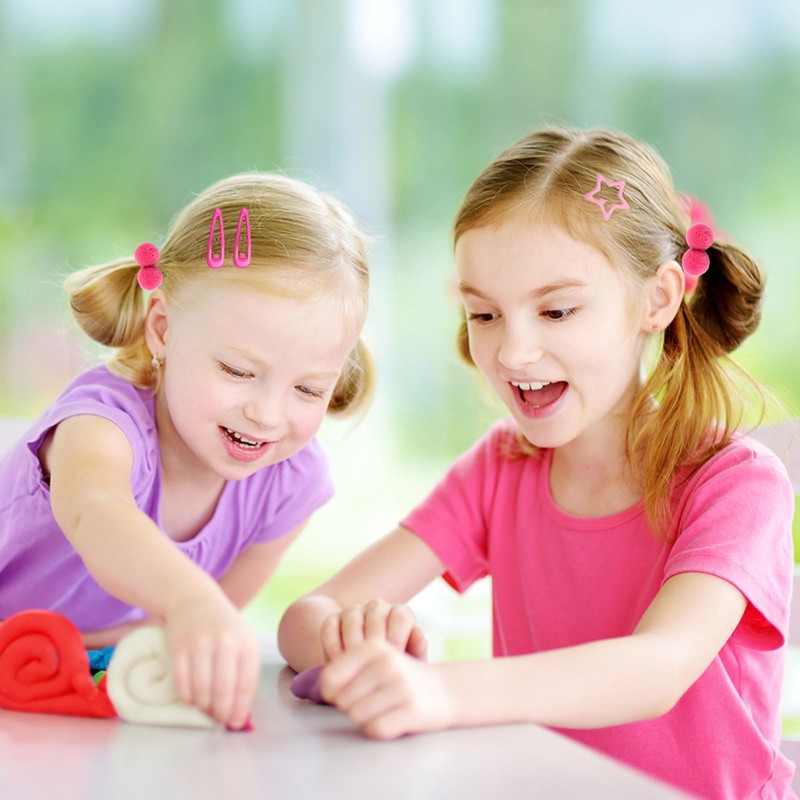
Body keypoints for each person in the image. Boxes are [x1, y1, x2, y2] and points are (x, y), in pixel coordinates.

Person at [277, 127, 796, 798]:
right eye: (485, 314)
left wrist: (442, 691)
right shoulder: (501, 469)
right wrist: (357, 643)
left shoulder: (737, 485)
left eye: (556, 310)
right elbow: (305, 617)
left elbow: (659, 668)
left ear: (657, 299)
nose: (513, 352)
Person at [0, 172, 373, 730]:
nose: (268, 414)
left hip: (60, 690)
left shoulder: (292, 481)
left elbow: (192, 627)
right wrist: (191, 602)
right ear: (163, 329)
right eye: (238, 370)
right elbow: (97, 513)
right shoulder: (99, 426)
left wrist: (186, 621)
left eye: (308, 388)